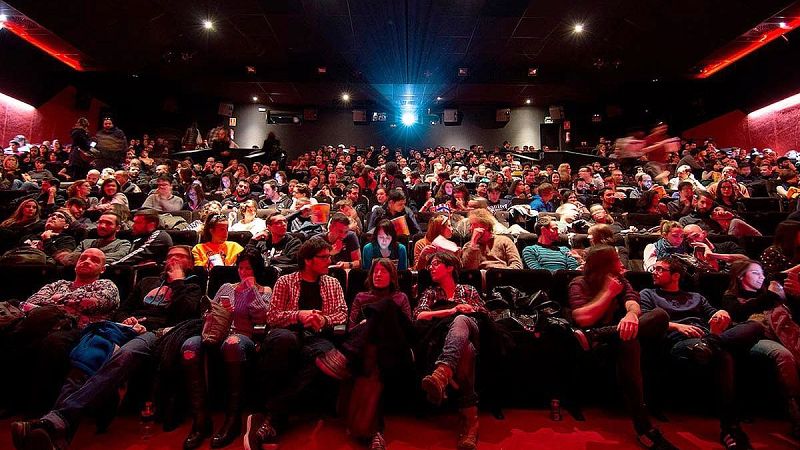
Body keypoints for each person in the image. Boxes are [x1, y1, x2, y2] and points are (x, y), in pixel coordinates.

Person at [11, 246, 202, 450]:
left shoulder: (192, 287)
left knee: (126, 354)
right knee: (85, 359)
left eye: (180, 257)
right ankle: (57, 433)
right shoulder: (148, 282)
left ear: (190, 263)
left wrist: (178, 282)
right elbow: (123, 309)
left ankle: (55, 422)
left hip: (156, 332)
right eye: (170, 256)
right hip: (123, 328)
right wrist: (128, 319)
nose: (173, 259)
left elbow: (185, 314)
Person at [640, 258, 763, 449]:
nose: (654, 272)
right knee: (724, 356)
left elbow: (713, 313)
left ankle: (710, 343)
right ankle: (730, 428)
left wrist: (721, 314)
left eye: (659, 269)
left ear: (675, 276)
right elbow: (645, 318)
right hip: (678, 341)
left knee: (755, 326)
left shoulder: (696, 297)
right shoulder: (648, 294)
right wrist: (677, 326)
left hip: (705, 337)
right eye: (654, 269)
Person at [568, 246, 675, 449]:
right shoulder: (579, 283)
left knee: (658, 316)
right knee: (629, 340)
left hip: (611, 336)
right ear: (604, 265)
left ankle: (598, 334)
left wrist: (631, 315)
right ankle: (644, 429)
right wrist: (607, 293)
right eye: (616, 260)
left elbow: (633, 304)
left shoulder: (622, 281)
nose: (621, 264)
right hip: (600, 347)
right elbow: (582, 318)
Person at [244, 239, 347, 448]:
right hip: (288, 332)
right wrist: (299, 315)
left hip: (317, 337)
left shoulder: (332, 283)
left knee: (326, 356)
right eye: (324, 257)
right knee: (284, 341)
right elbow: (273, 316)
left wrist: (323, 319)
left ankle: (273, 416)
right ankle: (271, 414)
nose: (329, 261)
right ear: (308, 260)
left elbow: (342, 313)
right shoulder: (285, 281)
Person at [0, 249, 120, 415]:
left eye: (94, 260)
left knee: (53, 341)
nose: (87, 261)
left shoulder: (107, 285)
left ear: (103, 269)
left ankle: (39, 408)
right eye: (83, 258)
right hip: (41, 325)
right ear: (76, 264)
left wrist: (56, 301)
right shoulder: (58, 284)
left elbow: (95, 302)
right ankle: (11, 399)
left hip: (80, 329)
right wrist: (67, 304)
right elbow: (31, 302)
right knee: (13, 335)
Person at [316, 258, 413, 449]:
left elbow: (406, 329)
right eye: (375, 271)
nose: (378, 275)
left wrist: (370, 322)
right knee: (372, 357)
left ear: (392, 276)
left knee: (386, 307)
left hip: (395, 347)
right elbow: (351, 328)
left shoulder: (400, 298)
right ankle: (375, 432)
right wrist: (367, 325)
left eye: (383, 271)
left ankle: (345, 356)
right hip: (370, 351)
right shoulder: (361, 297)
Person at [182, 251, 271, 449]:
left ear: (257, 270)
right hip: (216, 333)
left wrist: (251, 291)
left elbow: (264, 318)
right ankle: (200, 421)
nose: (244, 272)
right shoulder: (226, 287)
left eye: (248, 268)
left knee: (232, 344)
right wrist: (218, 313)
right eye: (241, 268)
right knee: (190, 347)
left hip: (244, 337)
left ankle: (233, 420)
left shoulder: (264, 290)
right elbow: (209, 313)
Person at [414, 252, 487, 450]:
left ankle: (442, 371)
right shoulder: (430, 292)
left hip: (472, 329)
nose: (431, 268)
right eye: (430, 265)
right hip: (444, 338)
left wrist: (469, 309)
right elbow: (419, 315)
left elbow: (484, 312)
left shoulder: (468, 290)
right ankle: (471, 421)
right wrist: (451, 310)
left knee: (462, 320)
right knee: (466, 350)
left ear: (450, 268)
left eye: (436, 264)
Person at [722, 260, 800, 437]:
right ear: (740, 276)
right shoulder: (731, 297)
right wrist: (772, 295)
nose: (761, 277)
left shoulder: (774, 294)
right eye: (755, 273)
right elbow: (739, 313)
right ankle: (796, 416)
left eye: (762, 273)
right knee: (783, 355)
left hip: (787, 334)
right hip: (759, 338)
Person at [62, 212, 132, 266]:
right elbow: (69, 259)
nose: (102, 226)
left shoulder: (123, 244)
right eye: (100, 222)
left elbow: (118, 258)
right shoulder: (85, 243)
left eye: (108, 223)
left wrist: (82, 258)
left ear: (118, 228)